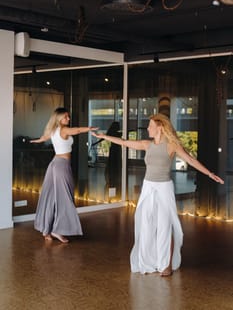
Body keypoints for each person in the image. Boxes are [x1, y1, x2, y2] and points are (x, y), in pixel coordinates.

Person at [92, 113, 224, 276]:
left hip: (164, 188)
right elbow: (124, 143)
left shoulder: (171, 145)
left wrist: (209, 173)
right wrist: (104, 136)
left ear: (160, 127)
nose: (147, 128)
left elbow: (190, 160)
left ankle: (166, 264)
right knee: (146, 225)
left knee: (164, 226)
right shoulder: (147, 144)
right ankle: (149, 261)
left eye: (150, 126)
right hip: (148, 187)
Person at [30, 107, 98, 243]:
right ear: (59, 118)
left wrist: (37, 141)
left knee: (52, 197)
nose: (68, 118)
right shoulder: (63, 130)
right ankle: (57, 229)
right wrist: (89, 128)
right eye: (66, 117)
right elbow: (77, 130)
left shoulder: (54, 130)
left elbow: (44, 138)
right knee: (64, 197)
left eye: (68, 116)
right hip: (61, 165)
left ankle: (47, 230)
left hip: (55, 164)